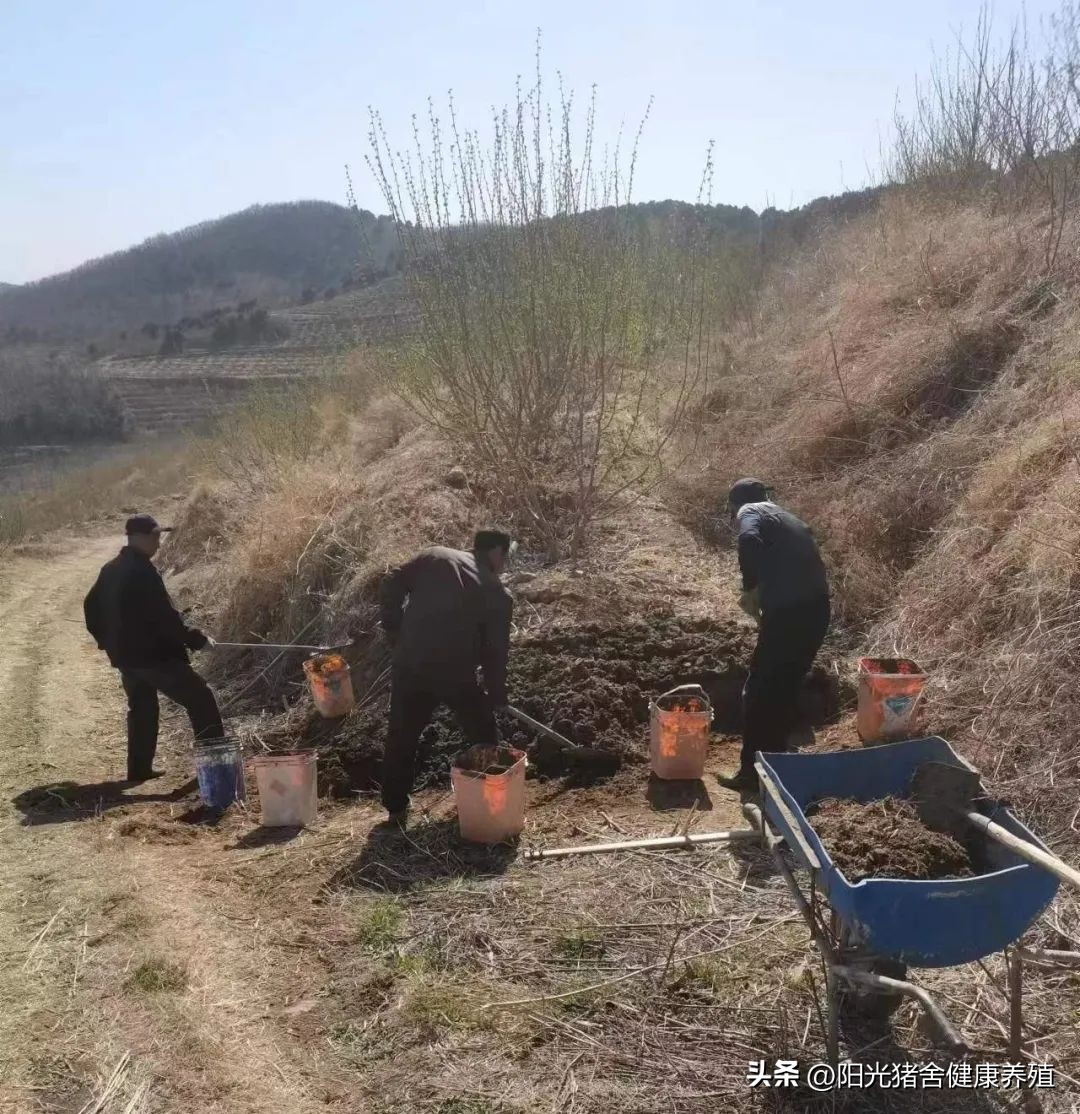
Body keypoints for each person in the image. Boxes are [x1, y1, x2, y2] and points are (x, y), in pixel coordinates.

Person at [378, 530, 514, 824]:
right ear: (496, 552)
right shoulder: (498, 593)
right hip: (455, 673)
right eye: (505, 557)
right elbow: (496, 654)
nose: (504, 565)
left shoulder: (435, 556)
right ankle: (491, 802)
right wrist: (496, 694)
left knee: (402, 734)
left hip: (410, 663)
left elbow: (392, 582)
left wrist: (394, 630)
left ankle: (395, 809)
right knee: (484, 732)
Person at [84, 513, 223, 782]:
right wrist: (197, 640)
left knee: (142, 708)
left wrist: (109, 643)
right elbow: (164, 618)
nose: (159, 543)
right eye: (155, 536)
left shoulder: (111, 568)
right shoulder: (141, 572)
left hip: (127, 659)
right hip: (154, 658)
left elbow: (91, 608)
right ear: (139, 537)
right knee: (201, 699)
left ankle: (139, 770)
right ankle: (215, 767)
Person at [717, 479, 830, 793]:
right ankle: (777, 765)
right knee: (785, 686)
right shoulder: (787, 518)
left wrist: (750, 588)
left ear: (735, 504)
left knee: (759, 690)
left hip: (790, 613)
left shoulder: (751, 511)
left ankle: (751, 775)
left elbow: (748, 539)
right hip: (818, 611)